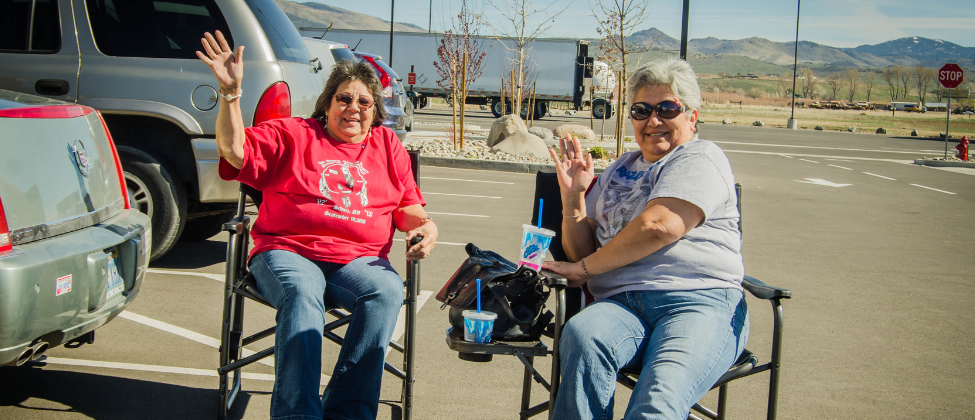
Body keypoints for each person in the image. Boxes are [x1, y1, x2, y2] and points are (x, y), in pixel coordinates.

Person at [196, 31, 438, 420]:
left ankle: (347, 413)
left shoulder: (388, 147)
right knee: (304, 290)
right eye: (344, 98)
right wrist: (231, 94)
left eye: (364, 101)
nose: (354, 107)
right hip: (288, 251)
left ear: (376, 111)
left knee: (387, 290)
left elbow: (407, 207)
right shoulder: (293, 134)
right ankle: (297, 415)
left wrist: (426, 225)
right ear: (327, 104)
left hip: (357, 261)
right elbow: (234, 150)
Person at [542, 57, 749, 420]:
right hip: (621, 305)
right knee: (582, 334)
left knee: (655, 402)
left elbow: (660, 225)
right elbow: (584, 249)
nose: (653, 120)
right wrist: (574, 200)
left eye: (666, 108)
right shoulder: (621, 167)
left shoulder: (701, 157)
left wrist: (583, 269)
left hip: (698, 300)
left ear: (692, 116)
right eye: (641, 110)